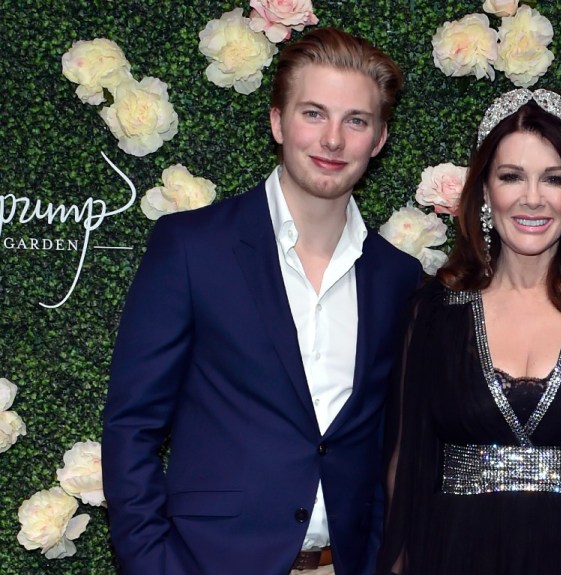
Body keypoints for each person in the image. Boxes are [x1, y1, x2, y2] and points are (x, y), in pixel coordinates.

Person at [102, 28, 422, 575]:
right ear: (277, 121)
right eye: (314, 113)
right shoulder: (192, 248)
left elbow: (392, 444)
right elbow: (132, 425)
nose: (333, 141)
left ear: (380, 139)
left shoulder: (399, 278)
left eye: (356, 121)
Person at [377, 88, 561, 575]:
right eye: (512, 176)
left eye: (553, 179)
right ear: (486, 189)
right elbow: (404, 475)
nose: (532, 198)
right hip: (456, 556)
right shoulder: (434, 312)